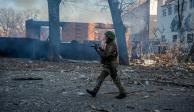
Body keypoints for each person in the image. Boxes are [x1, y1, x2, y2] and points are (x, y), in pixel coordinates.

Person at [86, 31, 126, 99]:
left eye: (106, 36)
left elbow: (105, 55)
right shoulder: (109, 44)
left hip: (111, 65)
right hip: (108, 65)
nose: (105, 37)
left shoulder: (112, 44)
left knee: (115, 79)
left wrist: (97, 49)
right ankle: (94, 92)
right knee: (101, 78)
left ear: (109, 37)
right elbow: (106, 52)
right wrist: (100, 48)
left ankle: (123, 93)